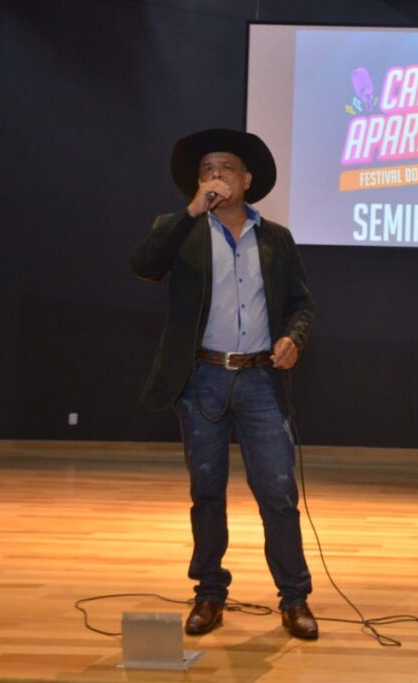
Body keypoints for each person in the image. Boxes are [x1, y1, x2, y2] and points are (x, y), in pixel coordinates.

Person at [130, 128, 318, 639]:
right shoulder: (181, 229)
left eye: (225, 168)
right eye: (206, 170)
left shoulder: (275, 238)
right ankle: (209, 594)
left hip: (260, 378)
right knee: (206, 491)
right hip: (202, 379)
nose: (215, 176)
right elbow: (143, 266)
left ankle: (294, 599)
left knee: (278, 492)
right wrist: (191, 211)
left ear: (248, 180)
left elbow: (301, 304)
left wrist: (293, 338)